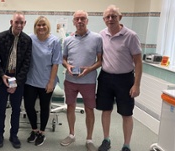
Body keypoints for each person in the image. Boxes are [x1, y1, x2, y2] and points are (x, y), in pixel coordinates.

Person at [96, 5, 142, 151]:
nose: (110, 19)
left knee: (126, 113)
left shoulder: (131, 36)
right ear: (104, 19)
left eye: (114, 16)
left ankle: (126, 145)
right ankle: (106, 139)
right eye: (108, 17)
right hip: (105, 78)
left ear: (120, 17)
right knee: (106, 110)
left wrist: (137, 85)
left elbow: (138, 62)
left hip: (125, 79)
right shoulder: (101, 35)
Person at [59, 10, 102, 151]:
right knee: (70, 106)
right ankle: (71, 134)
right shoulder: (68, 40)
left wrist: (89, 69)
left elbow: (100, 61)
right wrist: (68, 66)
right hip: (70, 80)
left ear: (87, 21)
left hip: (88, 81)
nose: (79, 21)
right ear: (73, 22)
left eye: (82, 18)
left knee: (89, 109)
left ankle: (89, 139)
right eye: (77, 19)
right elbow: (63, 59)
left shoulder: (97, 38)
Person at [0, 11, 32, 149]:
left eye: (22, 22)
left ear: (25, 23)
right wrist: (2, 75)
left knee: (16, 109)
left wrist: (16, 82)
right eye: (17, 22)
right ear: (11, 22)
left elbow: (27, 63)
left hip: (18, 80)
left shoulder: (27, 40)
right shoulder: (1, 37)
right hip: (2, 78)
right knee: (1, 109)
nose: (19, 25)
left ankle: (13, 135)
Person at [23, 16, 62, 146]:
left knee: (45, 107)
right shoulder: (30, 39)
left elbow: (56, 63)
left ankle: (42, 132)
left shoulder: (54, 41)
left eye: (43, 25)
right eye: (38, 25)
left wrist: (51, 82)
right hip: (30, 80)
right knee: (29, 106)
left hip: (46, 80)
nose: (41, 27)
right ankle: (34, 130)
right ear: (35, 27)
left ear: (48, 26)